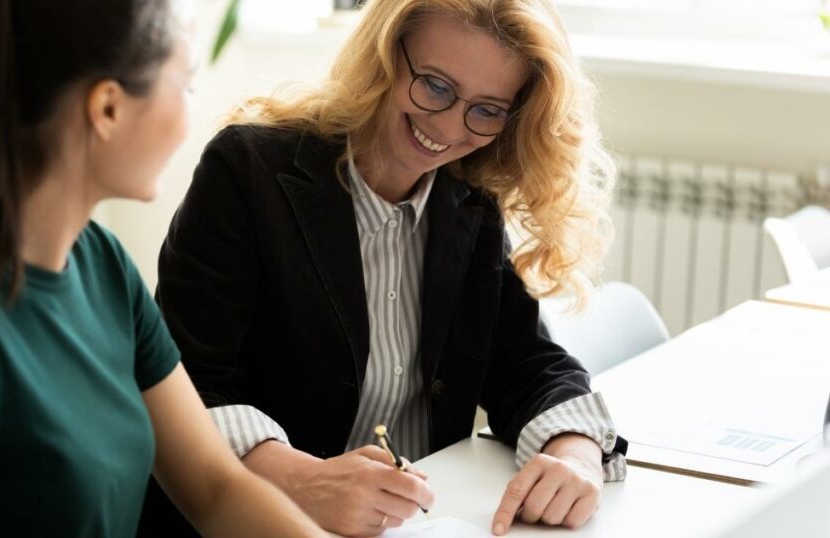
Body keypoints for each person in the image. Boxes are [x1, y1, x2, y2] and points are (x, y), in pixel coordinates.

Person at [0, 0, 326, 536]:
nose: (191, 115)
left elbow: (215, 487)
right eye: (183, 84)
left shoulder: (102, 263)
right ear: (108, 108)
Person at [148, 0, 628, 536]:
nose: (448, 126)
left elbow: (525, 361)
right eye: (436, 86)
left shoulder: (468, 198)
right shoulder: (248, 171)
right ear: (382, 56)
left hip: (417, 522)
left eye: (487, 109)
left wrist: (578, 454)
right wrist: (304, 479)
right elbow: (184, 386)